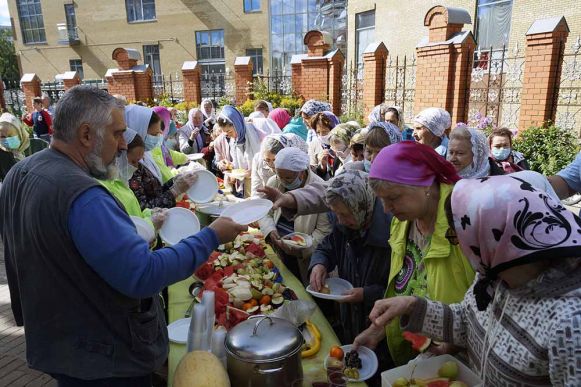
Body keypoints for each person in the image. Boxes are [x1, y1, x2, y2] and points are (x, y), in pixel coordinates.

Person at [0, 85, 246, 386]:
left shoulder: (19, 173)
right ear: (87, 135)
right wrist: (210, 236)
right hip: (103, 356)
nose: (122, 145)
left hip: (57, 341)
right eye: (117, 134)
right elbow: (144, 272)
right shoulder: (83, 194)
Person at [366, 175, 581, 386]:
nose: (458, 246)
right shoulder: (494, 278)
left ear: (490, 237)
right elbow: (467, 321)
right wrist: (412, 307)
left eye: (457, 236)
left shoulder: (570, 326)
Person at [354, 141, 475, 366]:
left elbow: (485, 306)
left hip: (459, 359)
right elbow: (404, 285)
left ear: (425, 185)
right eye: (381, 199)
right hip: (415, 351)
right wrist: (377, 330)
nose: (386, 209)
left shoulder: (463, 222)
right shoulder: (402, 222)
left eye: (393, 197)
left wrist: (455, 342)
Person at [309, 170, 393, 376]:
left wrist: (366, 294)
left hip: (382, 327)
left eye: (346, 214)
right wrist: (320, 263)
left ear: (362, 204)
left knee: (377, 371)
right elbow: (327, 246)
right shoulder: (344, 225)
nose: (341, 220)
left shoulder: (391, 235)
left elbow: (400, 288)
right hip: (351, 318)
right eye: (336, 214)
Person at [258, 147, 332, 283]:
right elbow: (265, 213)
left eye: (288, 177)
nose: (283, 181)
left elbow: (324, 231)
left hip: (306, 257)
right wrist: (270, 230)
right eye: (280, 176)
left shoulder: (320, 190)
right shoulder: (274, 182)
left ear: (302, 173)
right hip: (279, 249)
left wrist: (301, 250)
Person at [216, 105, 262, 174]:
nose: (228, 135)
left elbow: (261, 161)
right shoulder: (235, 140)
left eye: (229, 131)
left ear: (237, 125)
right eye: (225, 132)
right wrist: (228, 165)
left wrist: (252, 172)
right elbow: (238, 164)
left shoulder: (253, 134)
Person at [152, 106, 189, 170]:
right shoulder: (152, 144)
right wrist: (179, 172)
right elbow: (162, 171)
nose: (161, 131)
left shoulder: (159, 142)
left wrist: (186, 158)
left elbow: (168, 153)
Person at [308, 111, 340, 179]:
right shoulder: (314, 144)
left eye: (325, 131)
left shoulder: (342, 144)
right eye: (318, 132)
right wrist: (322, 166)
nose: (321, 136)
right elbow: (312, 174)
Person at [0, 113, 30, 181]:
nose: (6, 139)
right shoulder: (2, 154)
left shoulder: (29, 148)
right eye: (2, 137)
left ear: (20, 134)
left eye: (10, 136)